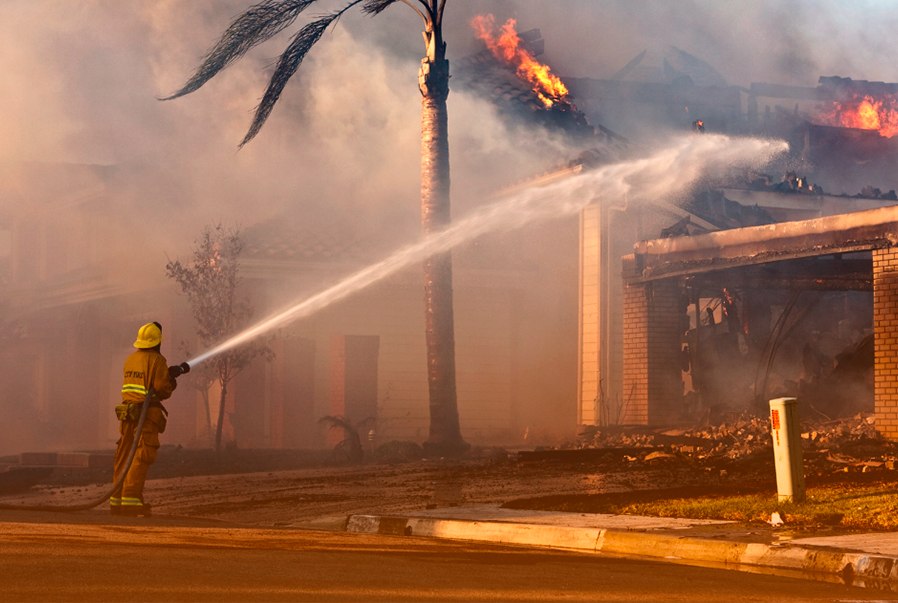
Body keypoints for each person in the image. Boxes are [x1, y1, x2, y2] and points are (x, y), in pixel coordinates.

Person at [110, 322, 177, 517]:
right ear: (157, 343)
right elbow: (162, 389)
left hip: (128, 414)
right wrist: (171, 381)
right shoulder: (157, 360)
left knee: (124, 455)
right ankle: (130, 500)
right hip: (146, 416)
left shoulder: (131, 359)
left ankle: (116, 500)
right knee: (141, 456)